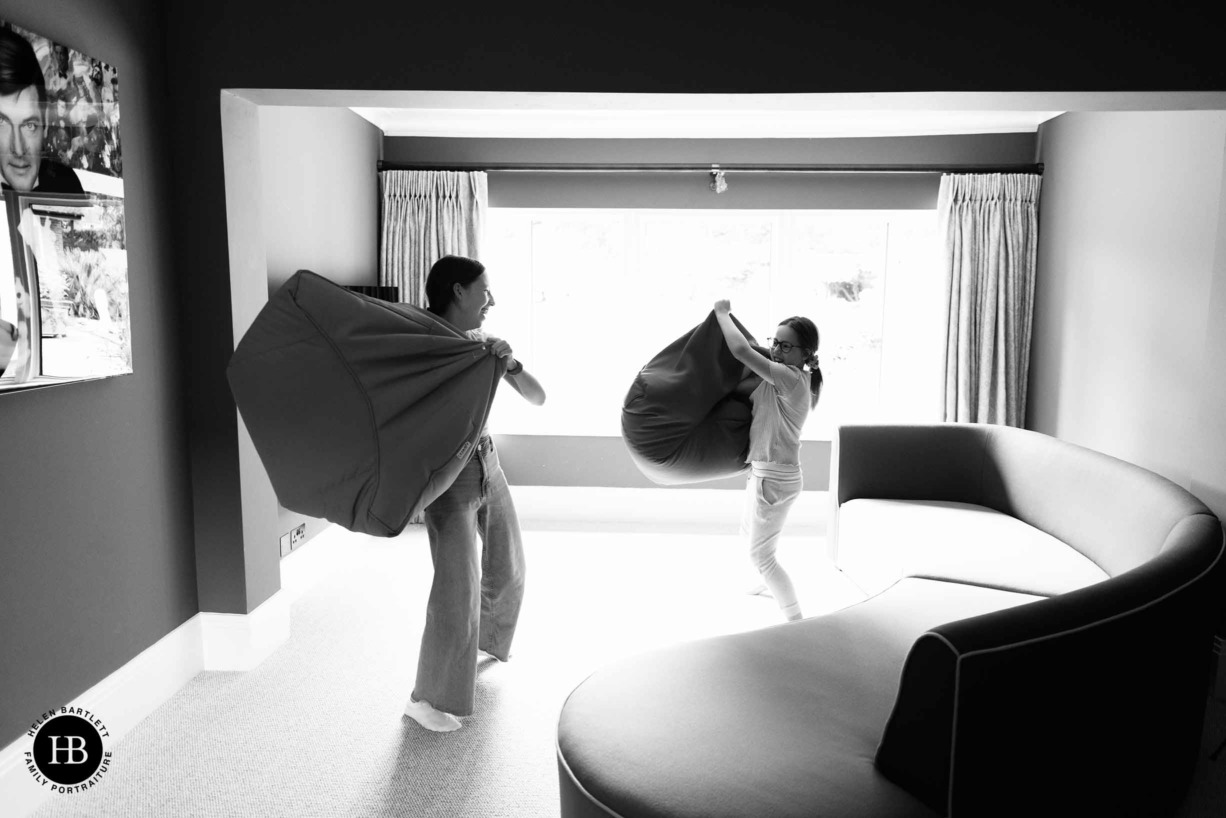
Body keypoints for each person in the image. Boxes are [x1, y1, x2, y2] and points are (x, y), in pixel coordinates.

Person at [404, 255, 546, 732]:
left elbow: (537, 396)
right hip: (451, 476)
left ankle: (483, 640)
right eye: (484, 290)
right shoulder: (421, 343)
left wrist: (510, 361)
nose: (491, 300)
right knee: (455, 588)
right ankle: (425, 698)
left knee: (508, 567)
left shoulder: (482, 345)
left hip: (488, 462)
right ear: (458, 291)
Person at [714, 299, 822, 622]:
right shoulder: (779, 379)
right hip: (765, 474)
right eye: (774, 342)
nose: (775, 350)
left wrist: (722, 314)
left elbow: (743, 352)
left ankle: (795, 619)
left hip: (774, 479)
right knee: (748, 534)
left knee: (762, 555)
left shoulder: (790, 379)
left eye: (786, 346)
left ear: (805, 355)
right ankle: (764, 583)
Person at [0, 27, 84, 194]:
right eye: (1, 123)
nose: (18, 149)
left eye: (30, 125)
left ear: (44, 123)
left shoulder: (67, 184)